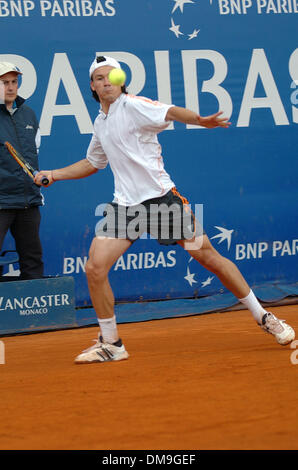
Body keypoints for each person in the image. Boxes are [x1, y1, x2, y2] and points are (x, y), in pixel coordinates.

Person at [35, 55, 295, 363]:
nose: (106, 82)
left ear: (120, 80)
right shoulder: (101, 121)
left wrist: (200, 120)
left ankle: (263, 316)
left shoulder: (133, 106)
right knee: (95, 267)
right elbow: (94, 162)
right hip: (125, 208)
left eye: (111, 76)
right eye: (100, 78)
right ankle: (112, 343)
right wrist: (54, 173)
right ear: (92, 85)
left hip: (161, 202)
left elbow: (170, 111)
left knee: (208, 257)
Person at [0, 62, 44, 280]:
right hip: (1, 202)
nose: (10, 87)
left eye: (14, 82)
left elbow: (34, 153)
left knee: (33, 260)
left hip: (28, 202)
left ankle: (35, 313)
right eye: (4, 82)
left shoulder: (29, 115)